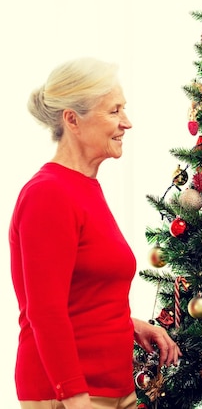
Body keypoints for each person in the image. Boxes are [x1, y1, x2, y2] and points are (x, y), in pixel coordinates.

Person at [10, 58, 182, 409]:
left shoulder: (83, 187)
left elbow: (82, 293)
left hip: (111, 387)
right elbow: (44, 311)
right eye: (114, 111)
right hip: (72, 395)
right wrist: (74, 399)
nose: (127, 123)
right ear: (72, 119)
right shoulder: (48, 193)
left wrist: (128, 324)